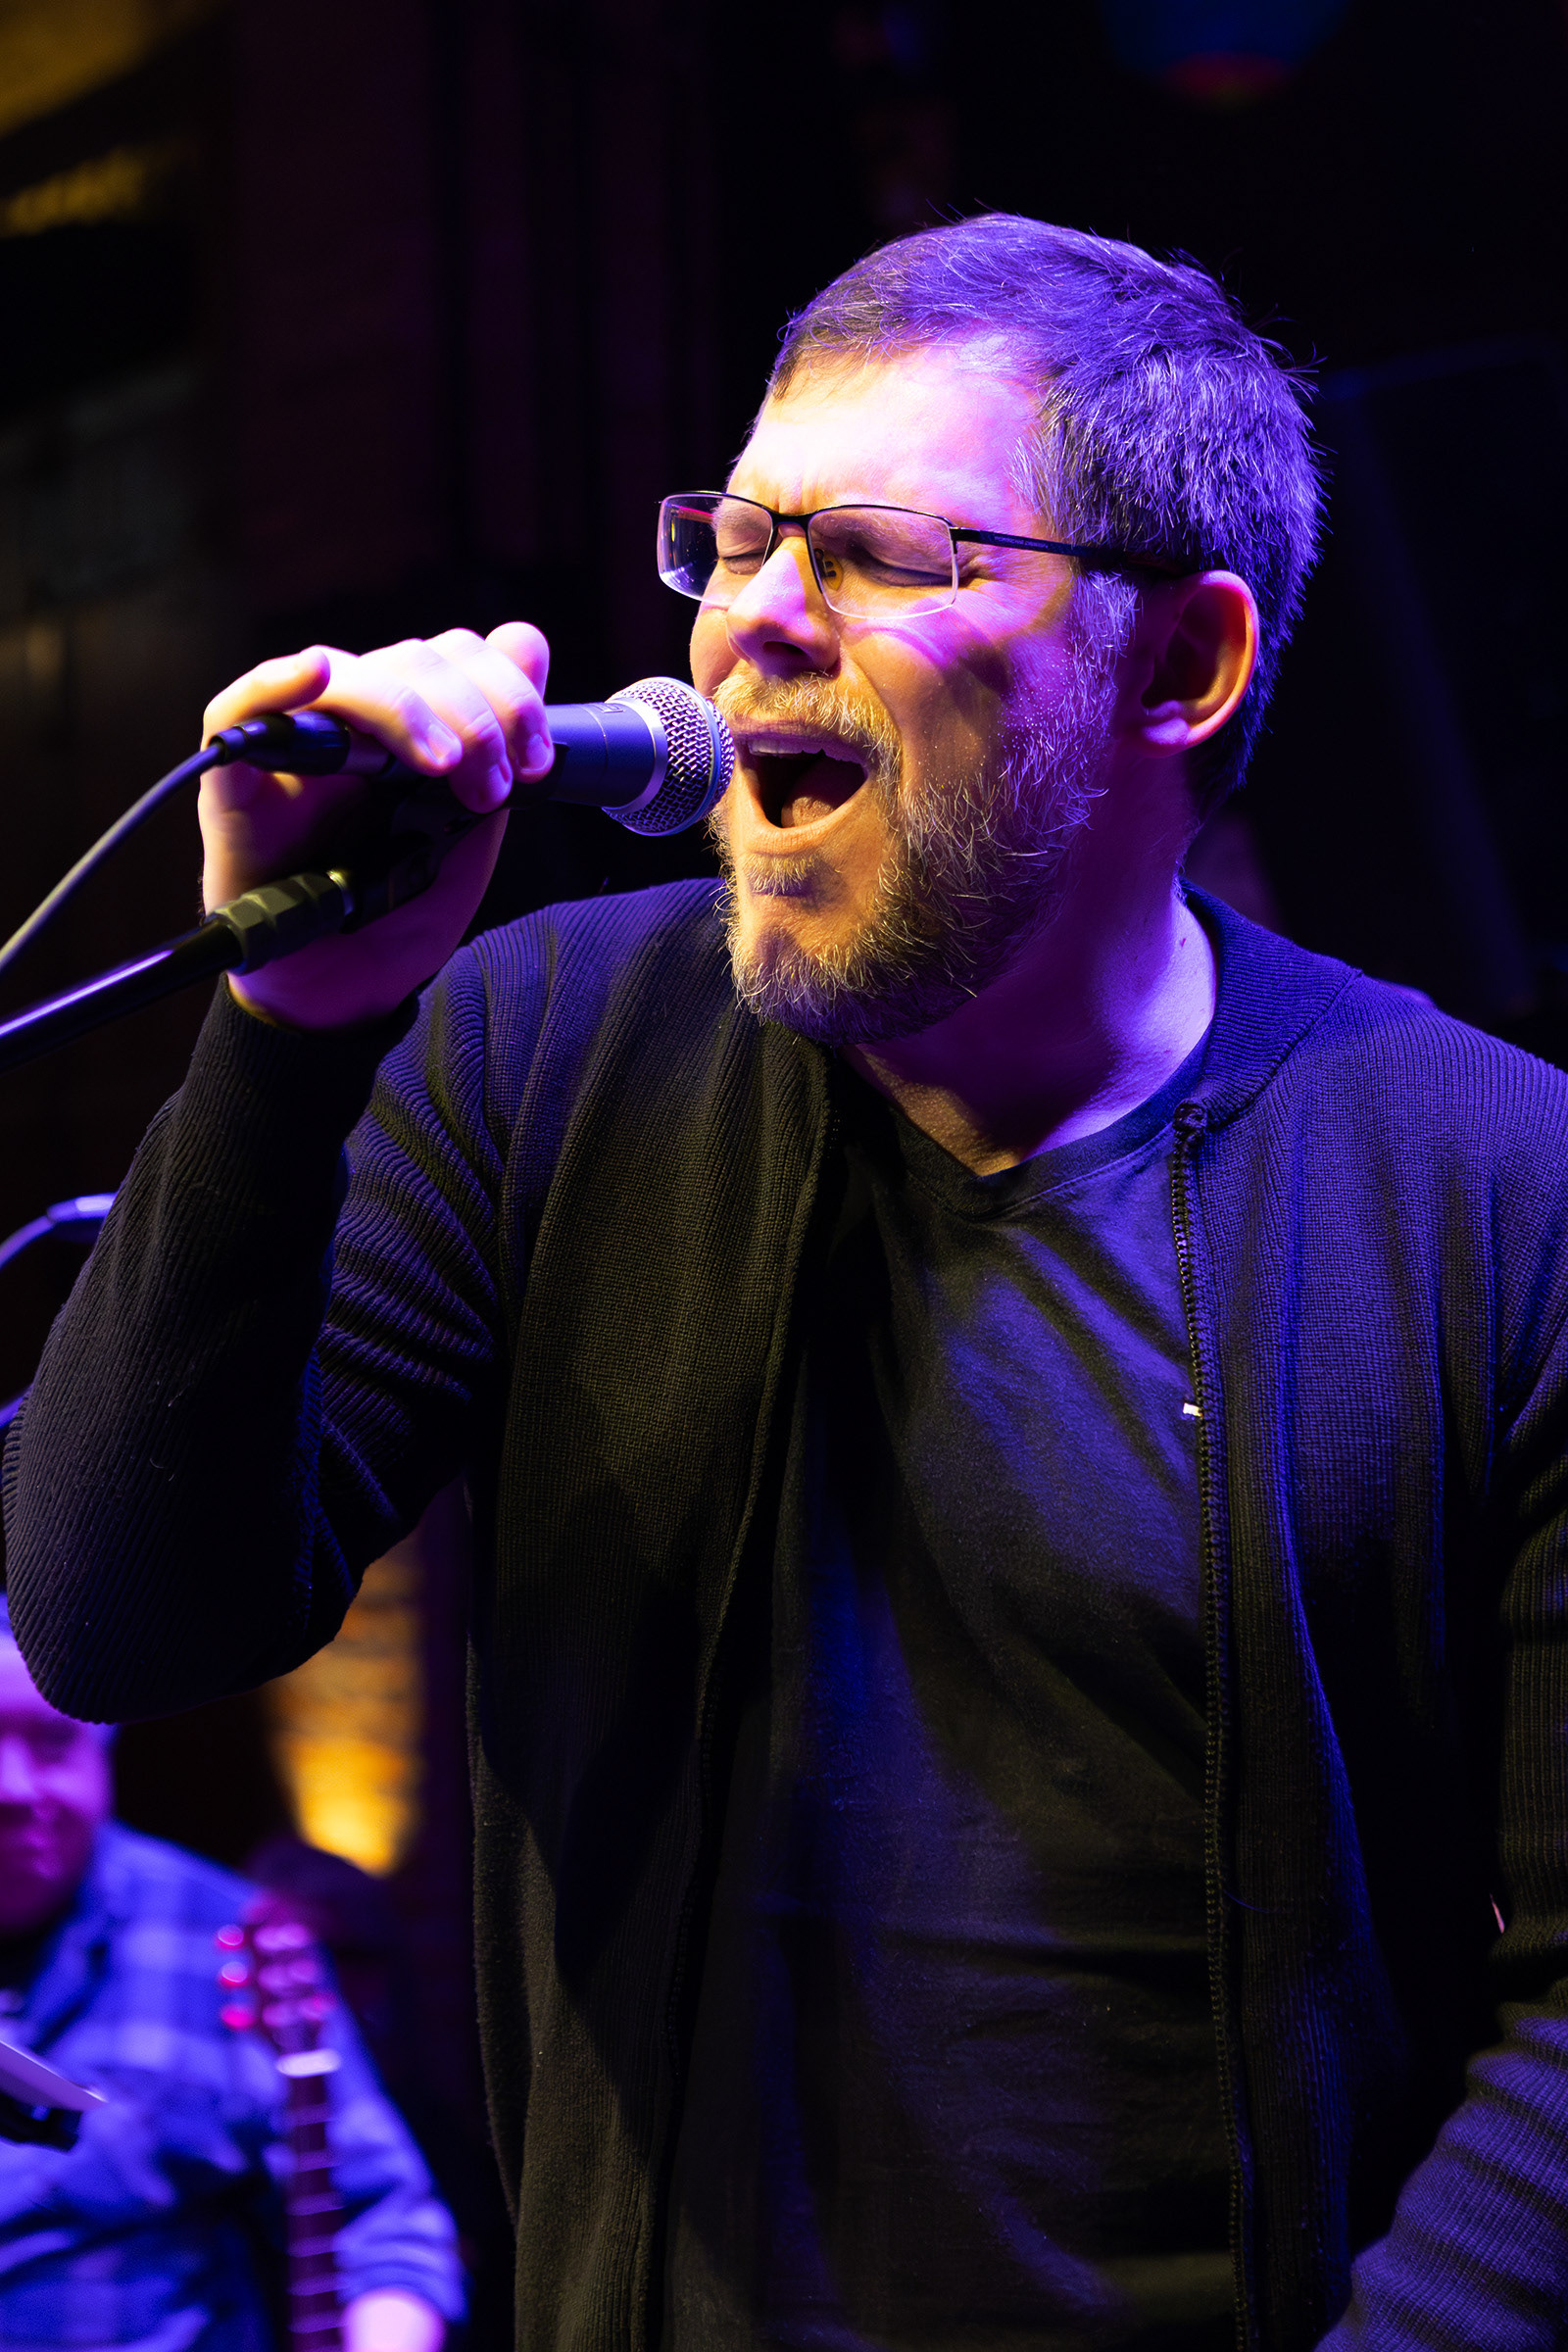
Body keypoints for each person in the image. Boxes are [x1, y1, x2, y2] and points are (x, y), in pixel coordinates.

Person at [5, 214, 1568, 2352]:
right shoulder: (537, 1055)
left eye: (878, 554)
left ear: (1182, 668)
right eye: (734, 540)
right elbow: (117, 1618)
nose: (749, 622)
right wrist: (296, 1027)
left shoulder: (1492, 1187)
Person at [0, 1598, 464, 2351]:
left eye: (53, 1745)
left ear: (102, 1752)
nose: (13, 1789)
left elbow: (383, 2224)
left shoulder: (224, 1931)